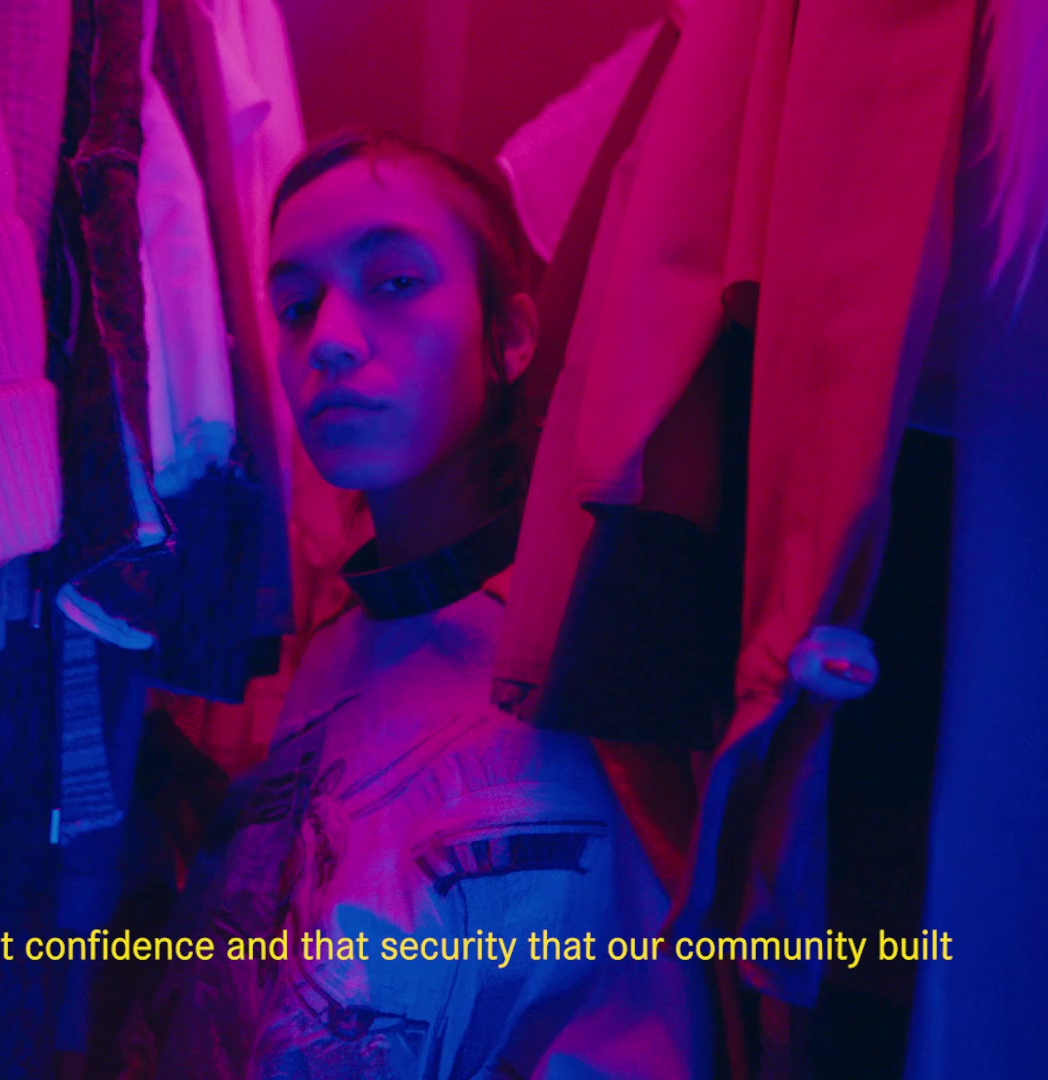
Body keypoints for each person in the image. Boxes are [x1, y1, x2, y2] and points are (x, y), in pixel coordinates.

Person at [117, 130, 715, 1079]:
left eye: (395, 282)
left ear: (508, 337)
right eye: (295, 306)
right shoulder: (333, 643)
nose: (330, 341)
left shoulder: (589, 650)